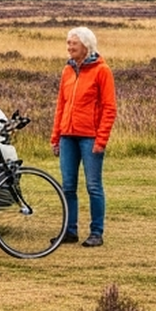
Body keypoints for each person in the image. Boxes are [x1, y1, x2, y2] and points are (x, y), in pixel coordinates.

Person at [50, 27, 118, 248]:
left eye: (74, 44)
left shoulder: (102, 71)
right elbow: (61, 105)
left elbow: (109, 108)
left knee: (93, 186)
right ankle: (70, 231)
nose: (69, 48)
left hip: (90, 137)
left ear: (86, 46)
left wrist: (101, 140)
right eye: (68, 43)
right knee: (67, 186)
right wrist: (56, 136)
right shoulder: (67, 71)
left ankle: (96, 232)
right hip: (67, 136)